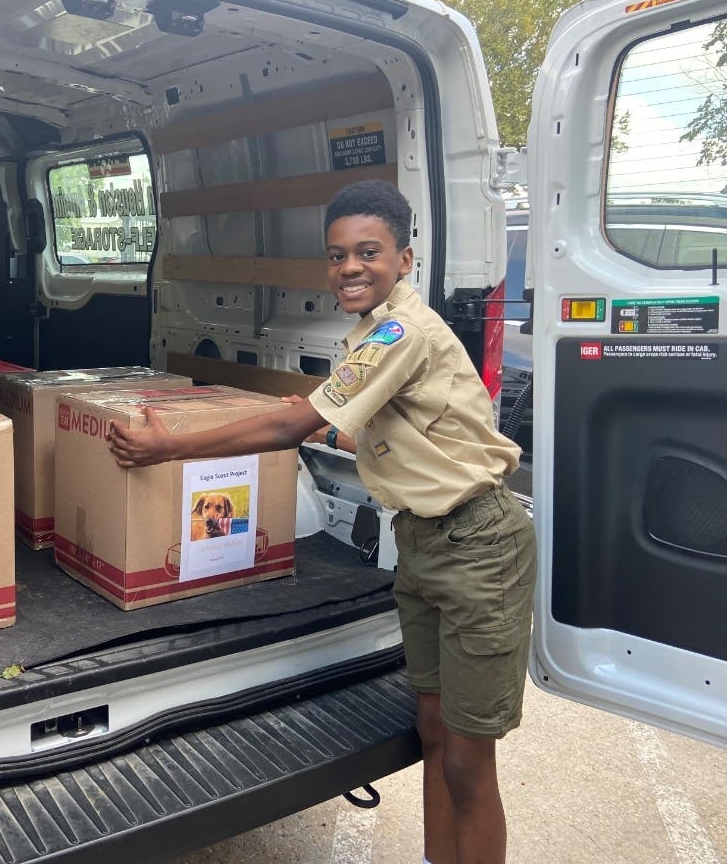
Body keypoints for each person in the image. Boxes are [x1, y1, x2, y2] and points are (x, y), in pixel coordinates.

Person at [106, 179, 535, 864]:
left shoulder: (401, 331)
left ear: (405, 260)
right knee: (431, 728)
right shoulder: (374, 333)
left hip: (477, 544)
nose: (350, 268)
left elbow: (288, 428)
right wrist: (323, 430)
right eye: (337, 256)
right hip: (424, 542)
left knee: (466, 760)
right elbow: (383, 431)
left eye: (368, 252)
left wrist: (169, 445)